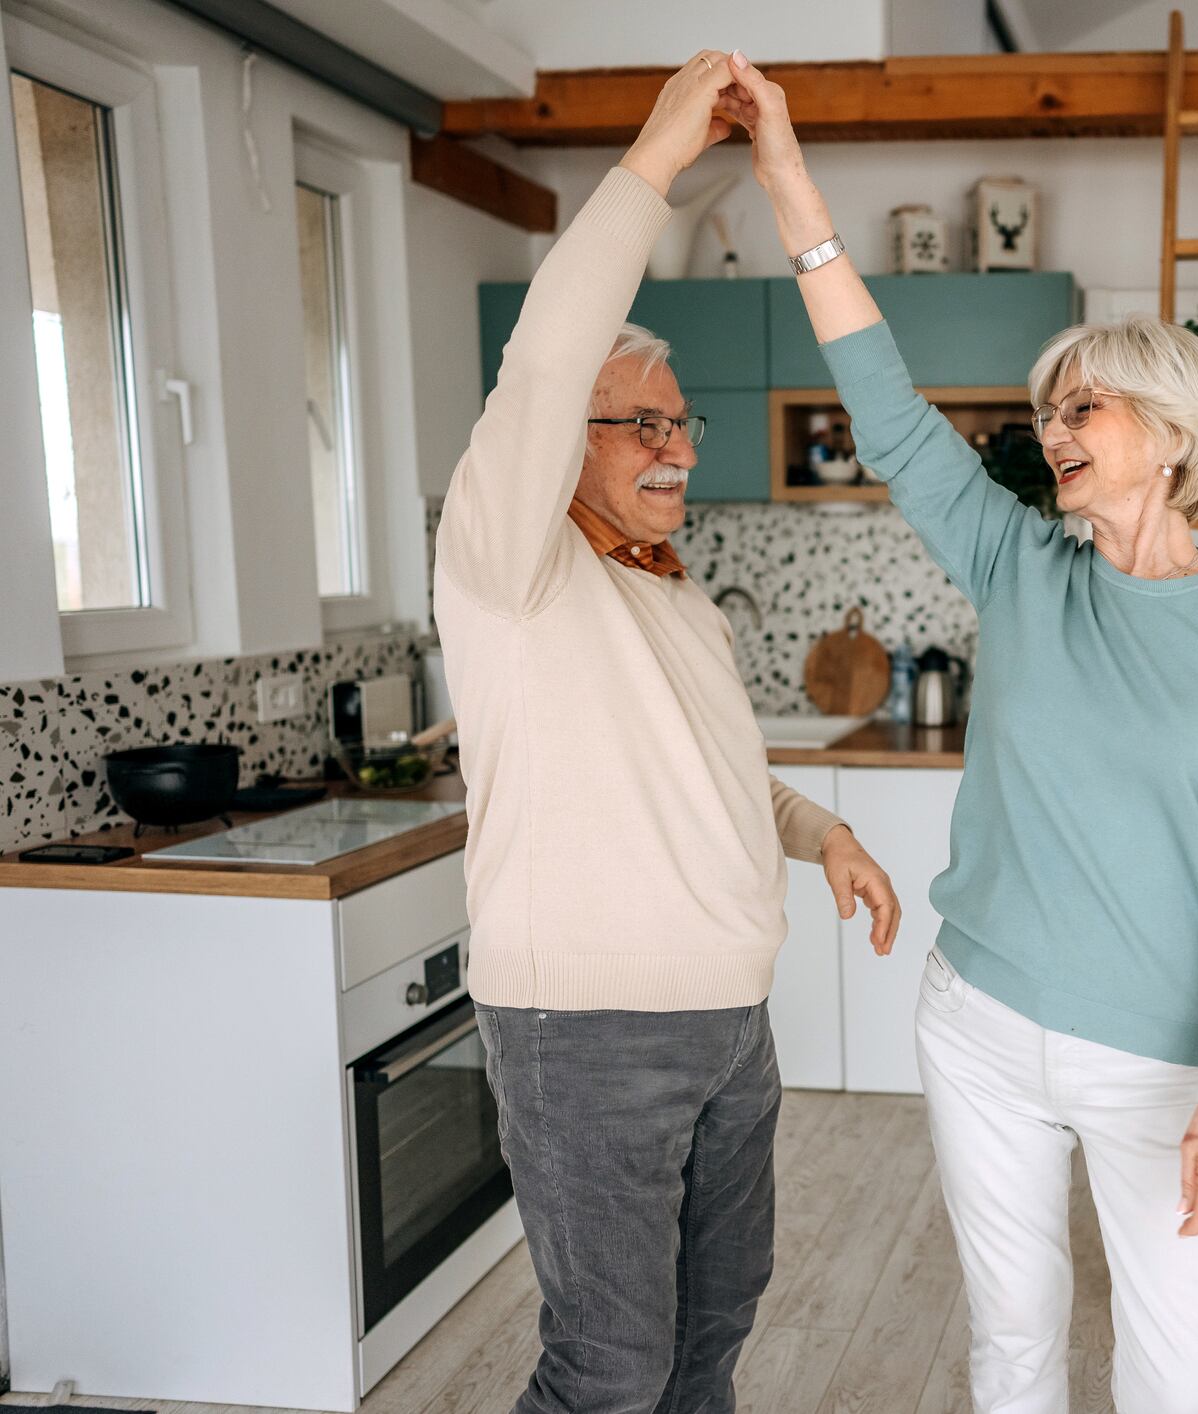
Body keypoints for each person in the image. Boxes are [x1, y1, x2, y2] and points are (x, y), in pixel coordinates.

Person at [720, 52, 1198, 1414]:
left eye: (1082, 408)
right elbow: (886, 410)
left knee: (1175, 1375)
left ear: (1167, 434)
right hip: (980, 1021)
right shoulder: (1017, 563)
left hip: (1162, 1052)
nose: (1051, 430)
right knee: (1011, 1343)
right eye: (1046, 410)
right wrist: (785, 180)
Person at [432, 51, 902, 1414]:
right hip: (583, 1030)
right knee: (610, 1365)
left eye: (679, 423)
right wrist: (654, 153)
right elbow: (547, 356)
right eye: (635, 423)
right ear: (558, 444)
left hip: (725, 1029)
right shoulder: (507, 567)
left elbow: (720, 774)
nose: (676, 448)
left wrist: (823, 832)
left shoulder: (676, 595)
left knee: (709, 1337)